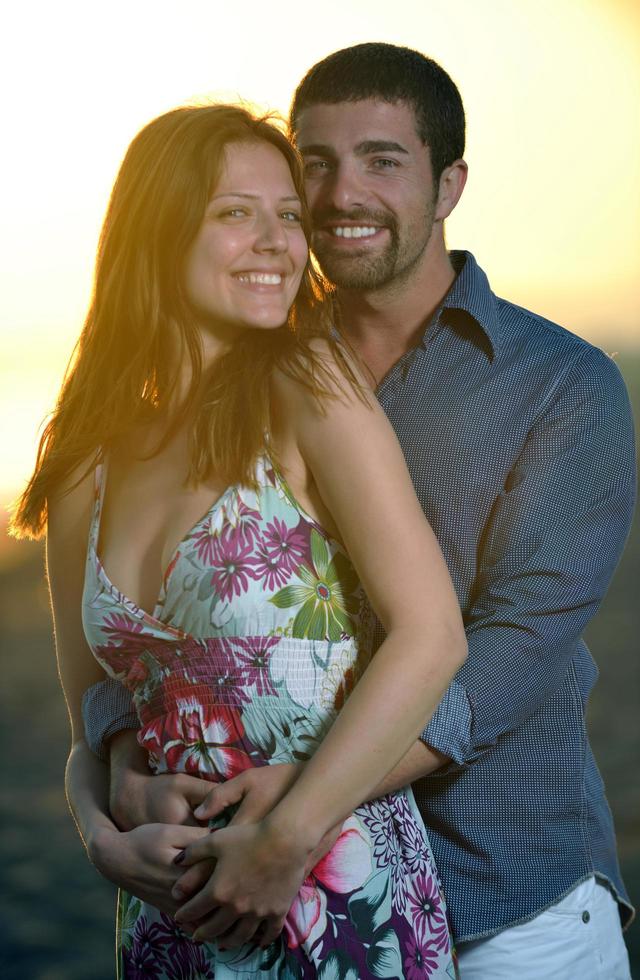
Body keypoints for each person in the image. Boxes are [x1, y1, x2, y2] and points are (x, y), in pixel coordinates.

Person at [84, 44, 638, 978]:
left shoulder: (563, 388)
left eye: (383, 160)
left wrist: (297, 812)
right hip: (252, 888)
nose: (342, 194)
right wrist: (120, 790)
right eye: (316, 164)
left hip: (504, 890)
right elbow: (163, 646)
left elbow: (511, 650)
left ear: (449, 183)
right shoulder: (256, 369)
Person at [11, 103, 468, 977]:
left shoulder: (307, 385)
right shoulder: (84, 465)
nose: (277, 242)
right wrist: (102, 835)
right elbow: (94, 725)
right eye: (235, 213)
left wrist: (286, 840)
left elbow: (432, 634)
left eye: (288, 215)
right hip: (169, 915)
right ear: (158, 234)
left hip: (328, 886)